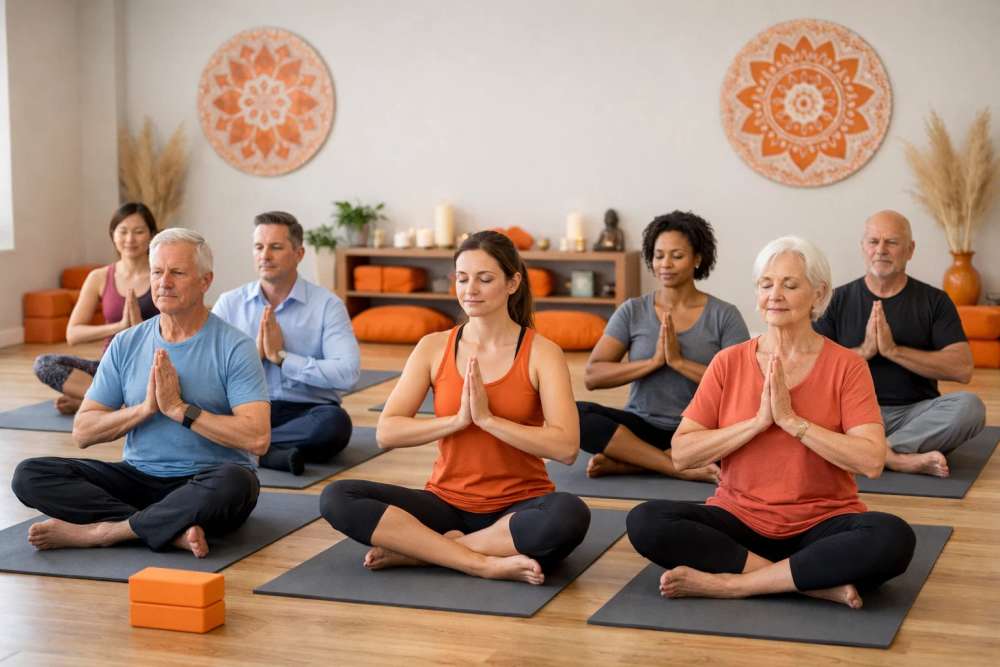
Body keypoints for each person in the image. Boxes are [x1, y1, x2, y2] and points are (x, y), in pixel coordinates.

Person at [627, 236, 915, 609]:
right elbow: (681, 453)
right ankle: (806, 582)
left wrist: (793, 422)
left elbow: (871, 461)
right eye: (766, 284)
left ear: (818, 293)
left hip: (822, 525)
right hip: (739, 521)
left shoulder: (847, 366)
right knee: (646, 520)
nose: (774, 294)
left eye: (790, 284)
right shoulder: (728, 362)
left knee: (893, 537)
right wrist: (757, 423)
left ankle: (736, 585)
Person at [320, 231, 590, 584]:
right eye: (462, 279)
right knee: (337, 497)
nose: (470, 289)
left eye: (485, 278)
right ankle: (480, 562)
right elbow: (387, 432)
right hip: (444, 504)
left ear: (513, 282)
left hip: (517, 508)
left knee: (569, 515)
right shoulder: (433, 347)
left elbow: (566, 447)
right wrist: (458, 420)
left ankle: (426, 554)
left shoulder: (542, 352)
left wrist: (488, 420)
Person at [11, 229, 269, 558]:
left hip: (207, 480)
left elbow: (258, 437)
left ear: (205, 281)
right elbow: (83, 431)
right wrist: (145, 409)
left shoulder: (235, 346)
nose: (164, 282)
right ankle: (162, 528)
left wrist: (179, 409)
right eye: (157, 272)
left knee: (238, 483)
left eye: (177, 272)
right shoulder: (127, 343)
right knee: (31, 475)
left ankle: (107, 531)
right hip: (138, 479)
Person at [578, 211, 749, 481]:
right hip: (642, 426)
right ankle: (674, 465)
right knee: (577, 415)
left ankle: (634, 462)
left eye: (677, 256)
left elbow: (743, 384)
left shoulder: (724, 315)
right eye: (659, 255)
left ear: (698, 259)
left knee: (752, 436)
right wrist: (652, 362)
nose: (665, 264)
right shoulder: (633, 311)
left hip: (700, 430)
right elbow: (592, 376)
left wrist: (679, 363)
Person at [814, 210, 985, 477]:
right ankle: (898, 458)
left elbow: (962, 368)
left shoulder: (934, 301)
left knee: (970, 408)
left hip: (916, 414)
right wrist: (864, 352)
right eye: (873, 242)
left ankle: (880, 452)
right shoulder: (836, 301)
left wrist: (895, 351)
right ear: (863, 247)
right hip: (851, 415)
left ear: (910, 250)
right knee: (802, 413)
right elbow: (813, 369)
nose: (881, 250)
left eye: (892, 242)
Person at [213, 211, 360, 476]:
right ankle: (268, 453)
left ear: (299, 253)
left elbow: (348, 374)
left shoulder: (328, 305)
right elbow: (207, 371)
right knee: (195, 415)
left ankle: (243, 447)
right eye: (259, 247)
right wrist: (253, 357)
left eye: (276, 247)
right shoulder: (229, 303)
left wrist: (282, 357)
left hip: (307, 412)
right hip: (246, 409)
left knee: (335, 425)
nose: (264, 256)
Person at [33, 203, 160, 414]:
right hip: (109, 367)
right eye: (123, 231)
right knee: (44, 364)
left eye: (138, 232)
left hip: (150, 366)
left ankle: (98, 402)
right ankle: (113, 402)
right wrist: (119, 327)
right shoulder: (99, 277)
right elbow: (73, 334)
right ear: (113, 234)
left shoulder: (160, 275)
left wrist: (138, 329)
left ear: (151, 235)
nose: (130, 239)